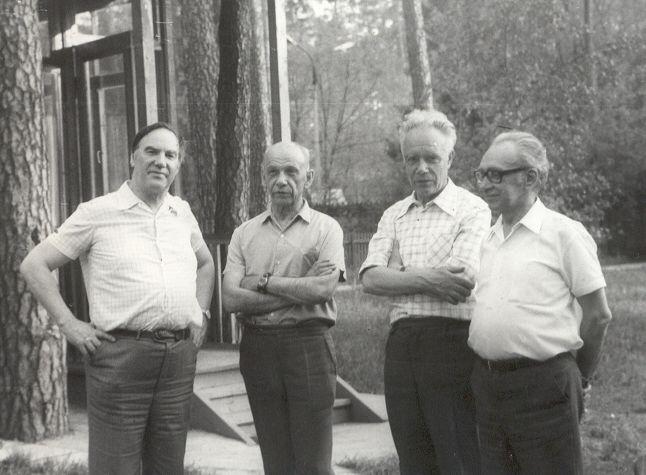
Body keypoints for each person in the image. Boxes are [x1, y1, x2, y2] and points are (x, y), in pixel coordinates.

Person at [20, 122, 216, 474]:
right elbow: (34, 265)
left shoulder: (181, 213)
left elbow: (205, 263)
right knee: (115, 467)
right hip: (120, 356)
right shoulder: (97, 212)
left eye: (170, 155)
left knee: (168, 466)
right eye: (151, 152)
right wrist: (69, 324)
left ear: (178, 164)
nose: (161, 161)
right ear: (132, 158)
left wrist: (201, 313)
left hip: (178, 360)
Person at [469, 131, 612, 474]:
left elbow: (598, 315)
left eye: (495, 175)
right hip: (488, 386)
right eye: (481, 174)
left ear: (531, 177)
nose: (484, 184)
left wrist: (580, 378)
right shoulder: (488, 237)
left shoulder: (563, 233)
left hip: (544, 387)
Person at [360, 109, 491, 474]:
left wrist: (400, 274)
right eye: (412, 159)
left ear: (450, 158)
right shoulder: (394, 214)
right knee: (413, 457)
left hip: (452, 346)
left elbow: (459, 282)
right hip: (402, 347)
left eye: (431, 158)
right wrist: (431, 278)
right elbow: (370, 279)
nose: (421, 168)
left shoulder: (472, 209)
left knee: (458, 457)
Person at [222, 141, 345, 475]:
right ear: (263, 177)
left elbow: (322, 289)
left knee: (313, 463)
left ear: (309, 177)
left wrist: (261, 281)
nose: (281, 180)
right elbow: (231, 299)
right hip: (258, 348)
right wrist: (300, 287)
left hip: (307, 345)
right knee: (275, 461)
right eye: (273, 172)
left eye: (291, 171)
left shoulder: (326, 229)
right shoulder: (244, 233)